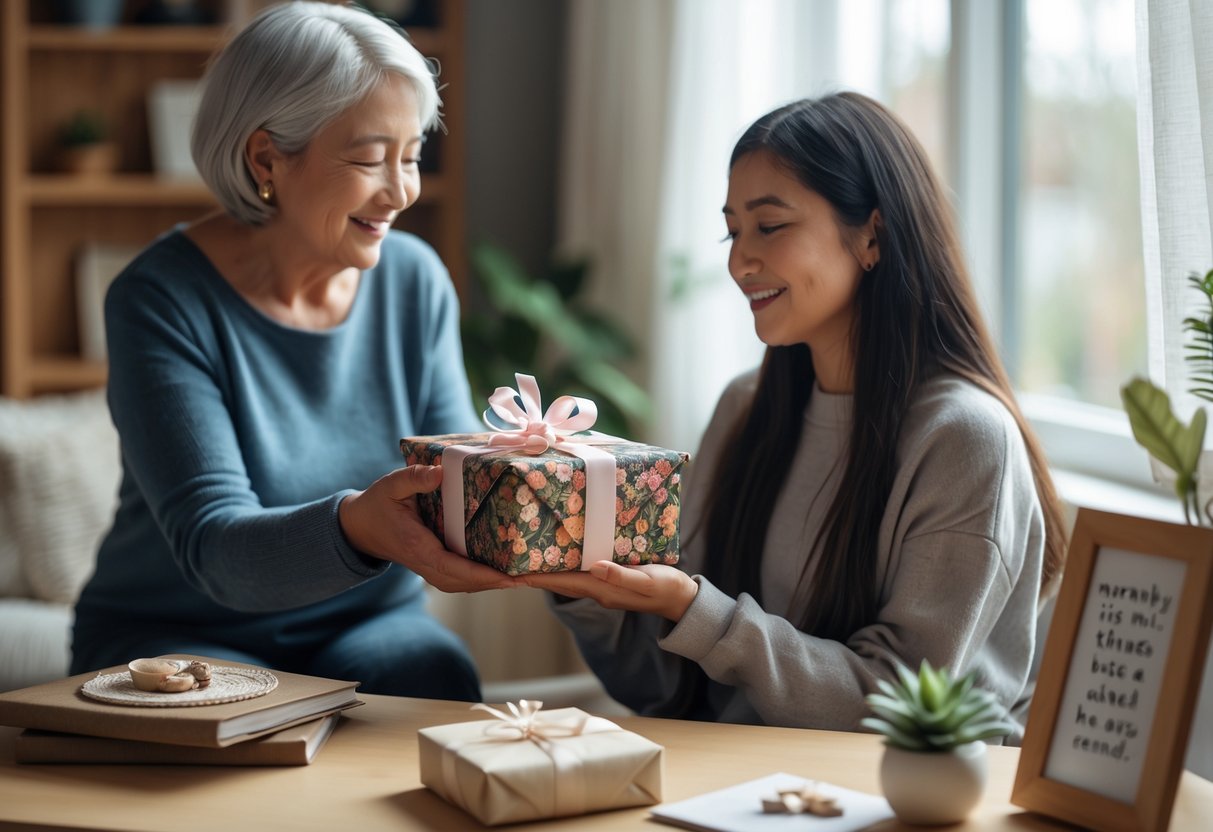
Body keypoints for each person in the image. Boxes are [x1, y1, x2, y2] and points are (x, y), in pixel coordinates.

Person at [524, 92, 1068, 739]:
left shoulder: (964, 440)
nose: (737, 260)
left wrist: (703, 614)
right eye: (731, 230)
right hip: (736, 781)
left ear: (872, 234)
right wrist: (572, 573)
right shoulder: (743, 409)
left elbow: (896, 710)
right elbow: (664, 688)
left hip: (900, 797)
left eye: (769, 225)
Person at [70, 1, 517, 700]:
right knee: (214, 711)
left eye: (412, 156)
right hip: (177, 632)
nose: (401, 191)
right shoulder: (159, 298)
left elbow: (454, 480)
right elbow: (218, 554)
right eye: (370, 158)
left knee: (433, 673)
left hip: (366, 627)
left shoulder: (413, 279)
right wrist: (358, 526)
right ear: (266, 157)